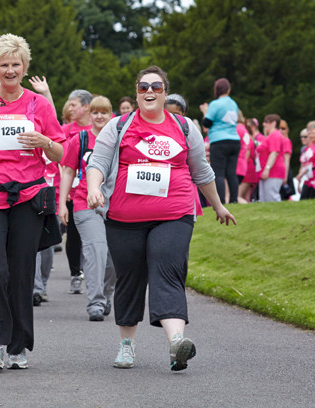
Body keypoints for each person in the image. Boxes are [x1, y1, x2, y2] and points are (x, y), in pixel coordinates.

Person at [85, 66, 236, 372]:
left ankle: (176, 342)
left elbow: (202, 172)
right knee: (129, 278)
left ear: (166, 92)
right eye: (143, 87)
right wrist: (93, 188)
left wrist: (218, 205)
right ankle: (127, 344)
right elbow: (97, 163)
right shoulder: (118, 126)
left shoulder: (184, 127)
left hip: (174, 215)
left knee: (168, 271)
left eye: (156, 86)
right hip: (124, 218)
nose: (149, 91)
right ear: (137, 92)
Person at [0, 33, 64, 372]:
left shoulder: (39, 104)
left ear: (24, 67)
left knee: (21, 272)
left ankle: (18, 347)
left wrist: (45, 140)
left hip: (28, 196)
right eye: (3, 64)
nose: (9, 70)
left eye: (15, 64)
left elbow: (62, 152)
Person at [59, 95, 116, 322]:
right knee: (96, 250)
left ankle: (106, 294)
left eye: (104, 112)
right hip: (85, 202)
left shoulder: (119, 140)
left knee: (113, 257)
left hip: (115, 205)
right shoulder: (79, 139)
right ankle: (95, 302)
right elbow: (68, 171)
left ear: (111, 115)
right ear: (89, 114)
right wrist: (62, 202)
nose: (100, 116)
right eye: (95, 112)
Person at [199, 78, 241, 205]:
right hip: (234, 140)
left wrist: (205, 111)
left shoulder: (215, 104)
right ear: (228, 89)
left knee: (219, 173)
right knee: (231, 173)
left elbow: (207, 122)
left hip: (219, 140)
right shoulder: (234, 104)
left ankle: (221, 202)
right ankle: (234, 200)